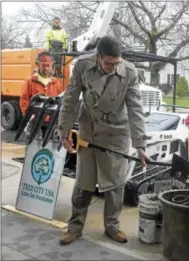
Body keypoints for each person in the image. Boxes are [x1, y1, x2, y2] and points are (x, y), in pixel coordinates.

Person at [57, 35, 150, 245]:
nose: (112, 67)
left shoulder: (130, 72)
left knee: (116, 184)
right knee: (84, 182)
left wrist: (140, 145)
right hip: (89, 129)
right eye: (108, 63)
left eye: (116, 63)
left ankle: (112, 226)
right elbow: (70, 99)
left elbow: (136, 108)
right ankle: (75, 227)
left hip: (117, 132)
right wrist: (64, 131)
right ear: (98, 57)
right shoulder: (82, 66)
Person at [20, 52, 64, 139]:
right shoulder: (30, 81)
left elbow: (60, 102)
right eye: (43, 65)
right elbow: (24, 100)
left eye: (48, 65)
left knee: (49, 148)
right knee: (33, 147)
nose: (46, 68)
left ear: (52, 65)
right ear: (38, 65)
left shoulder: (56, 83)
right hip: (34, 121)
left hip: (51, 122)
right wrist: (28, 116)